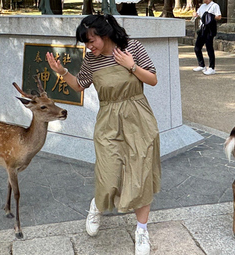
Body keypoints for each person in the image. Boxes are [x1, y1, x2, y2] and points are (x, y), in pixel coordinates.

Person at [45, 14, 160, 255]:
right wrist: (62, 71)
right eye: (86, 43)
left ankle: (141, 231)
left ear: (104, 35)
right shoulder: (91, 60)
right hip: (108, 120)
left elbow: (153, 80)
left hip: (138, 117)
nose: (89, 46)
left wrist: (131, 65)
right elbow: (80, 85)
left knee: (141, 173)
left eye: (91, 41)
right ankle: (97, 204)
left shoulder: (132, 48)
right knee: (108, 174)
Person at [190, 0, 222, 75]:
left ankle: (211, 67)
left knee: (209, 48)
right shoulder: (202, 6)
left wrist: (211, 16)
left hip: (210, 29)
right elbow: (198, 14)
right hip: (202, 28)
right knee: (197, 47)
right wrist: (195, 15)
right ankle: (201, 65)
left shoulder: (215, 6)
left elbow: (219, 17)